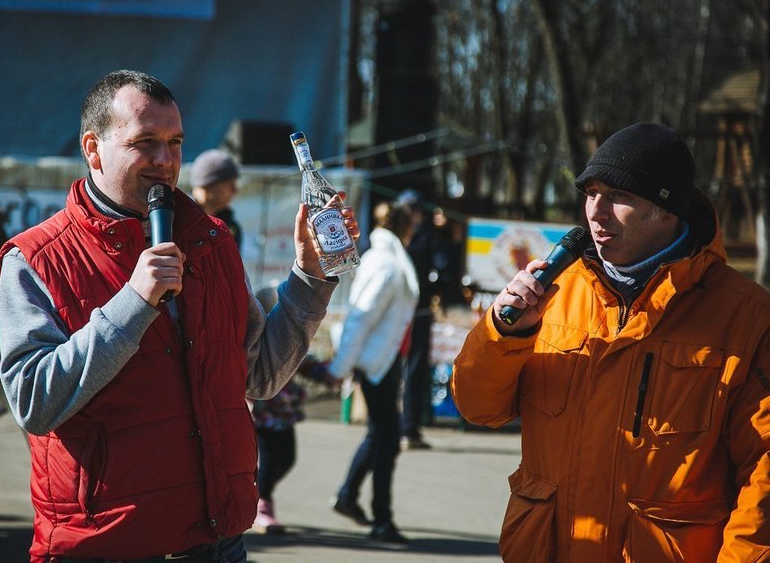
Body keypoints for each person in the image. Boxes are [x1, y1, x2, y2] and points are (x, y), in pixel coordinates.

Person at [0, 69, 359, 563]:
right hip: (106, 546)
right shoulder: (36, 258)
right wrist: (133, 302)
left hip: (217, 542)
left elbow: (261, 375)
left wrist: (311, 275)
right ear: (93, 149)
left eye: (175, 142)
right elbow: (33, 401)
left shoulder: (211, 242)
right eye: (145, 142)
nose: (166, 161)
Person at [451, 122, 770, 561]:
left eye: (620, 197)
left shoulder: (746, 315)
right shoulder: (553, 293)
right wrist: (506, 334)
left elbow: (764, 472)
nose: (596, 213)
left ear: (667, 209)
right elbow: (477, 407)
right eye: (591, 193)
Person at [327, 201, 418, 545]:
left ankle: (349, 497)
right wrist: (340, 368)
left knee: (381, 436)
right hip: (376, 362)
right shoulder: (388, 263)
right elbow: (360, 318)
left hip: (384, 360)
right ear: (404, 228)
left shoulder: (386, 258)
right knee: (387, 439)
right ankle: (381, 519)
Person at [249, 286, 337, 535]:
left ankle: (257, 495)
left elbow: (305, 362)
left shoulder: (285, 341)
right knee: (267, 462)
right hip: (262, 413)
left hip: (284, 412)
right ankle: (262, 506)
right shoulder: (255, 341)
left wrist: (328, 374)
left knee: (287, 459)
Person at [395, 189, 436, 450]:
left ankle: (404, 427)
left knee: (402, 370)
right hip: (415, 312)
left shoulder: (393, 240)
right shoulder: (421, 238)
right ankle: (407, 429)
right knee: (412, 370)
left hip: (401, 312)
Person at [190, 148, 242, 248]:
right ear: (208, 185)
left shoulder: (230, 228)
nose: (235, 190)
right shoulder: (177, 220)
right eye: (229, 184)